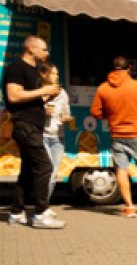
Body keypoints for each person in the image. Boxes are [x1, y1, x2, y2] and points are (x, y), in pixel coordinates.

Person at [90, 56, 137, 218]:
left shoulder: (103, 88)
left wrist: (111, 115)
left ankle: (129, 207)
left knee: (121, 169)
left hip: (117, 134)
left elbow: (95, 113)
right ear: (129, 69)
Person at [3, 35, 64, 228]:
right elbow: (13, 96)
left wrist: (42, 104)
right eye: (44, 49)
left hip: (32, 124)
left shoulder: (34, 71)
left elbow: (27, 99)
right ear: (31, 49)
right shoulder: (16, 68)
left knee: (28, 171)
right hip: (24, 125)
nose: (47, 53)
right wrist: (43, 92)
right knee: (45, 166)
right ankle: (40, 214)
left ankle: (16, 212)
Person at [39, 62, 73, 208]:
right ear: (44, 75)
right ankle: (40, 207)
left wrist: (67, 118)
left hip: (58, 138)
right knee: (44, 173)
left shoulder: (63, 93)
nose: (57, 76)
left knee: (53, 174)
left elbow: (67, 114)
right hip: (41, 136)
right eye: (54, 73)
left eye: (58, 73)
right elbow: (28, 113)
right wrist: (42, 112)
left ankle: (44, 206)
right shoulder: (37, 91)